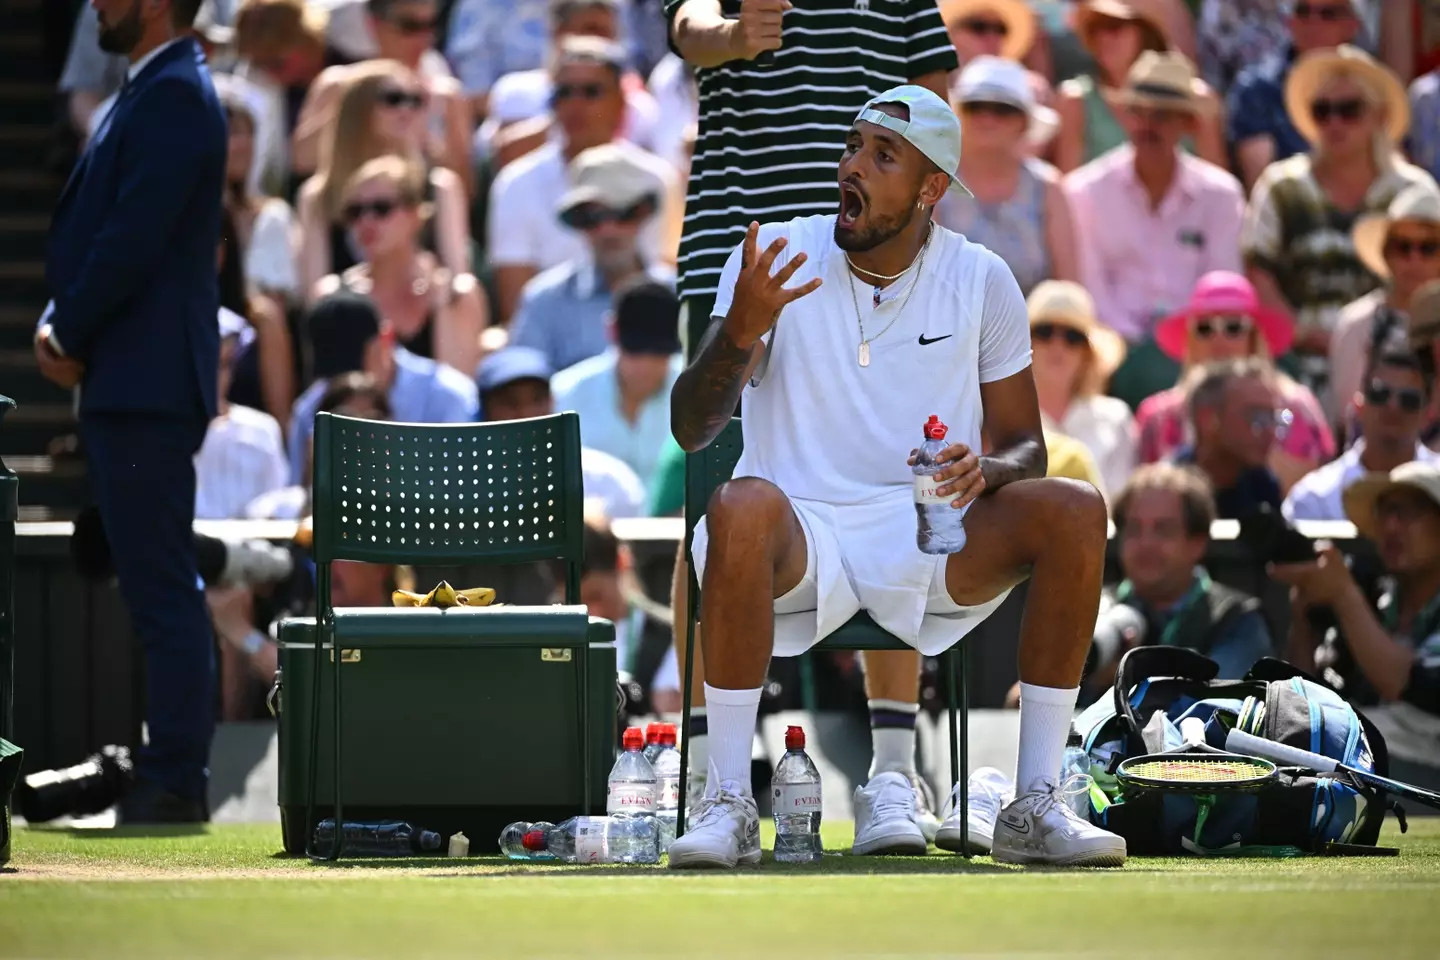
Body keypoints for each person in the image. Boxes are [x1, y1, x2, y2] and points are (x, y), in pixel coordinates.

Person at [666, 86, 1124, 868]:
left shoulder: (983, 278)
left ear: (930, 188)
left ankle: (1035, 801)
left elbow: (1027, 448)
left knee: (1076, 509)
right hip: (799, 536)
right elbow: (690, 427)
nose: (854, 167)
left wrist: (989, 469)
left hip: (928, 534)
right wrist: (740, 327)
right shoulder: (774, 253)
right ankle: (731, 802)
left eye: (884, 156)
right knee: (737, 504)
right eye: (853, 148)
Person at [666, 0, 957, 837]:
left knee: (890, 489)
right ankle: (710, 776)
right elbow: (685, 23)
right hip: (748, 251)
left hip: (878, 255)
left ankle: (893, 775)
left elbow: (931, 99)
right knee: (717, 515)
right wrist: (730, 37)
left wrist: (922, 245)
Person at [35, 0, 227, 823]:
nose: (94, 6)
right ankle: (169, 766)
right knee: (155, 583)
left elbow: (131, 237)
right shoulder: (155, 87)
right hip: (131, 381)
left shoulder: (176, 91)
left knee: (160, 587)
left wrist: (65, 326)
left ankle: (175, 775)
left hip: (142, 385)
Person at [1241, 44, 1436, 412]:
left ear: (1378, 116)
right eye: (1323, 111)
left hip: (1406, 367)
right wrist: (1314, 338)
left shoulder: (1414, 192)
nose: (1334, 123)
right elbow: (1258, 276)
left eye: (1349, 110)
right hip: (1296, 366)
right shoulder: (1281, 186)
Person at [1063, 50, 1245, 408]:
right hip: (1113, 352)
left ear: (1188, 124)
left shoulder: (1221, 195)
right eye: (1137, 112)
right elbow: (1092, 291)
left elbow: (1222, 288)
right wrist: (1139, 347)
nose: (1147, 125)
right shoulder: (1084, 191)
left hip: (1199, 350)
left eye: (1161, 115)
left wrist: (1177, 343)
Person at [485, 36, 675, 324]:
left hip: (649, 336)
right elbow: (518, 312)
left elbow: (669, 279)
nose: (575, 104)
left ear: (620, 102)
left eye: (591, 91)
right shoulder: (516, 184)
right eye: (564, 92)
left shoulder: (658, 178)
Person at [1085, 463, 1272, 702]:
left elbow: (1212, 707)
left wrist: (1122, 683)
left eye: (1163, 530)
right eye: (1134, 528)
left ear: (1198, 542)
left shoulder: (1236, 620)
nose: (1146, 543)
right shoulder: (1093, 609)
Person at [1274, 460, 1440, 722]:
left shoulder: (1354, 598)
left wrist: (1343, 594)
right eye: (1386, 512)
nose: (1391, 526)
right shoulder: (1374, 597)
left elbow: (1407, 685)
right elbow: (1299, 701)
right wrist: (1304, 616)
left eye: (1409, 512)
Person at [1141, 271, 1333, 493]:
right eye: (1205, 327)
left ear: (1254, 336)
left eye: (1234, 327)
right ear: (1191, 339)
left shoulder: (1297, 407)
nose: (1219, 339)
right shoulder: (1158, 417)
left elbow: (1319, 490)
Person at [296, 58, 471, 302]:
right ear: (357, 109)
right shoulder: (318, 196)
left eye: (415, 100)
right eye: (393, 99)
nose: (406, 110)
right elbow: (315, 298)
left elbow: (459, 282)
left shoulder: (439, 187)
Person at [509, 144, 675, 373]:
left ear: (643, 213)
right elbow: (525, 388)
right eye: (592, 217)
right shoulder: (544, 301)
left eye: (622, 213)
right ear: (578, 223)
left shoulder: (681, 293)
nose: (608, 230)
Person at [317, 154, 486, 374]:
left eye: (381, 208)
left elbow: (459, 391)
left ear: (416, 215)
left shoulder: (456, 295)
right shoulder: (331, 296)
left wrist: (442, 305)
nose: (366, 221)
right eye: (355, 212)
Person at [287, 290, 477, 481]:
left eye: (355, 367)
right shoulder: (308, 410)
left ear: (385, 340)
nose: (343, 381)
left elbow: (460, 488)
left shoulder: (449, 396)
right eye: (334, 371)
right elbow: (296, 492)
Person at [290, 0, 472, 195]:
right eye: (409, 26)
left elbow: (466, 191)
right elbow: (301, 161)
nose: (424, 38)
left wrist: (423, 141)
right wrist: (357, 103)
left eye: (431, 25)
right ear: (374, 24)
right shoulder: (338, 85)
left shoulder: (445, 96)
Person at [937, 56, 1075, 296]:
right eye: (975, 106)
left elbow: (1069, 289)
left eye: (1003, 109)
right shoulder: (932, 183)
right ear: (957, 114)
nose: (987, 118)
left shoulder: (1048, 187)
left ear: (1025, 121)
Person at [478, 345, 648, 520]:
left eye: (537, 399)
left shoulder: (609, 481)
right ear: (486, 410)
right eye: (510, 402)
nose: (526, 413)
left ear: (553, 401)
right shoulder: (466, 486)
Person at [1055, 0, 1222, 173]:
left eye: (1114, 26)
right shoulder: (1076, 100)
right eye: (1096, 28)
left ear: (1146, 32)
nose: (1103, 37)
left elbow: (1219, 187)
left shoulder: (1199, 101)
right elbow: (1067, 189)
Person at [551, 279, 683, 488]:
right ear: (611, 330)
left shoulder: (701, 397)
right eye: (636, 350)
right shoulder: (563, 394)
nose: (646, 365)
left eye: (659, 353)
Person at [1286, 348, 1440, 521]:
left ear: (1428, 413)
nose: (1393, 406)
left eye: (1409, 399)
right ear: (1358, 405)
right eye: (1380, 393)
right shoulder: (1315, 499)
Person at [1227, 0, 1365, 190]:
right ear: (1290, 21)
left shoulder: (1375, 89)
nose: (1313, 22)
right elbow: (1262, 186)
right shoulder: (1257, 90)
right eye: (1303, 11)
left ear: (1352, 25)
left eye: (1328, 13)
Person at [1330, 184, 1440, 420]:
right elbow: (1347, 413)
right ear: (1386, 253)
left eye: (1428, 248)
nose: (1414, 259)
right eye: (1403, 246)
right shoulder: (1356, 324)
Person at [1024, 280, 1135, 502]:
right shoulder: (1002, 417)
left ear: (1087, 353)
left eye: (1072, 336)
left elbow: (1122, 500)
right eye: (1045, 332)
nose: (1058, 345)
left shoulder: (1116, 417)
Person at [194, 309, 288, 520]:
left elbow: (275, 503)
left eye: (225, 364)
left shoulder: (262, 428)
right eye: (208, 365)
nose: (216, 376)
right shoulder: (167, 432)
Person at [1171, 358, 1283, 519]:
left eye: (1272, 418)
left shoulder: (1263, 487)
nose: (1270, 430)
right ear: (1208, 420)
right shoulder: (1167, 497)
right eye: (1256, 416)